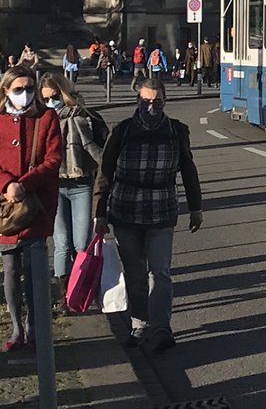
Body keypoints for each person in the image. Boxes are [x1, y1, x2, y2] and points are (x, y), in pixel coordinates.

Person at [93, 79, 203, 352]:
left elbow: (188, 169)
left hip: (161, 211)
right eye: (146, 102)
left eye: (157, 102)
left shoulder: (177, 131)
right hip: (126, 211)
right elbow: (104, 173)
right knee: (135, 274)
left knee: (160, 272)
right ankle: (140, 324)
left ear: (165, 102)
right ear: (137, 101)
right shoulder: (123, 131)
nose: (151, 108)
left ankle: (161, 330)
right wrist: (99, 213)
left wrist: (195, 206)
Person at [0, 66, 64, 351]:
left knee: (34, 268)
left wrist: (23, 184)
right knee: (10, 269)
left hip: (35, 205)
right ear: (6, 91)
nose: (24, 94)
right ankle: (16, 327)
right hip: (6, 209)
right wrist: (6, 185)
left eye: (28, 89)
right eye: (18, 90)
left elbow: (52, 161)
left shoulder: (47, 117)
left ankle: (34, 325)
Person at [41, 73, 104, 309]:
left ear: (64, 94)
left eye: (54, 97)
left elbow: (92, 151)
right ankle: (63, 297)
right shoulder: (42, 121)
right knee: (61, 242)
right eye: (45, 99)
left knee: (80, 243)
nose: (50, 103)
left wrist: (108, 169)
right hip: (54, 186)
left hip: (79, 184)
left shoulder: (79, 117)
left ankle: (78, 290)